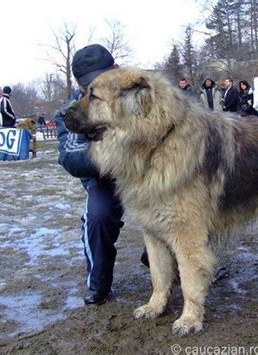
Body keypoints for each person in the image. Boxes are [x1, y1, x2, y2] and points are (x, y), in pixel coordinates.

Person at [55, 44, 148, 305]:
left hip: (146, 174)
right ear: (78, 83)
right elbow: (72, 159)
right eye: (88, 83)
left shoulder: (139, 96)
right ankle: (98, 283)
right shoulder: (72, 111)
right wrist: (121, 154)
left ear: (116, 69)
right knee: (98, 217)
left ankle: (156, 259)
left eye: (102, 77)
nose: (95, 85)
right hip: (105, 178)